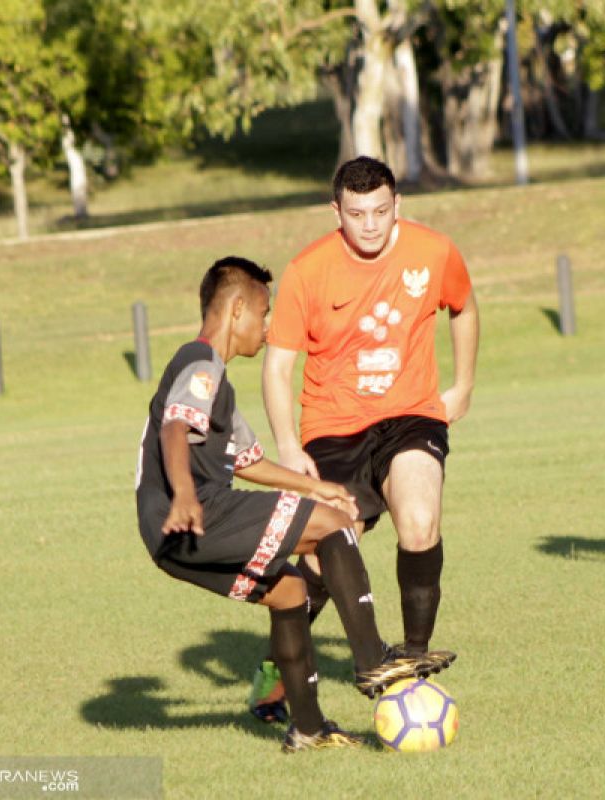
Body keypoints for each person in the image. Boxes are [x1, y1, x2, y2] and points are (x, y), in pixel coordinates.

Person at [135, 256, 451, 753]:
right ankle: (372, 659)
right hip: (196, 515)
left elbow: (248, 460)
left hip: (168, 540)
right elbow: (176, 426)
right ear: (236, 308)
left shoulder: (217, 380)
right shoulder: (199, 362)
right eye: (263, 314)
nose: (266, 330)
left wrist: (316, 487)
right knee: (333, 526)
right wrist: (185, 496)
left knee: (289, 595)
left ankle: (306, 728)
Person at [249, 156, 478, 719]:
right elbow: (277, 366)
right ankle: (278, 670)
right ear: (337, 212)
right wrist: (287, 446)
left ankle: (414, 661)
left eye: (380, 211)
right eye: (357, 214)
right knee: (328, 558)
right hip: (332, 426)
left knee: (420, 518)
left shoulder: (433, 251)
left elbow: (465, 308)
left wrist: (464, 385)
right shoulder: (308, 270)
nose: (370, 225)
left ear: (397, 204)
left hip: (411, 414)